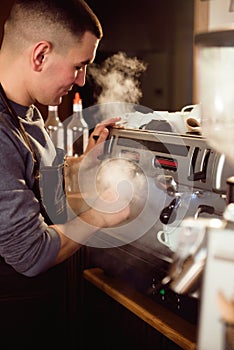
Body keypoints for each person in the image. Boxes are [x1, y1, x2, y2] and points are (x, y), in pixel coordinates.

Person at [0, 0, 130, 349]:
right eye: (79, 66)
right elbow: (30, 253)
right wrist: (100, 216)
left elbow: (37, 191)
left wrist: (84, 164)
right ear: (40, 55)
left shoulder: (26, 111)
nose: (81, 80)